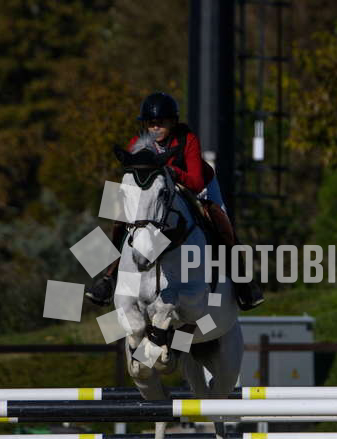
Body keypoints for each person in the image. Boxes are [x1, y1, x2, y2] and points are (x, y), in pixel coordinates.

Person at [86, 91, 264, 311]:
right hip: (157, 191)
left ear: (173, 122)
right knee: (120, 219)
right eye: (151, 123)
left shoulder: (188, 140)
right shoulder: (137, 142)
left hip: (197, 186)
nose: (156, 128)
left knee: (221, 220)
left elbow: (196, 182)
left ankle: (243, 283)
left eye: (161, 123)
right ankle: (108, 278)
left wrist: (171, 172)